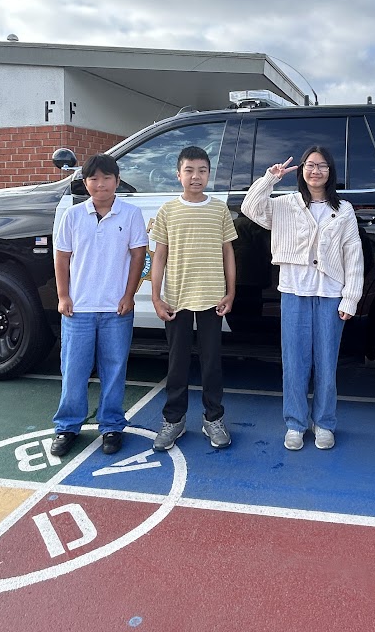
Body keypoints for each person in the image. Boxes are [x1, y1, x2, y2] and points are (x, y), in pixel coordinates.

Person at [241, 146, 364, 451]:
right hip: (294, 292)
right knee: (294, 362)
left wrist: (350, 298)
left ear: (330, 172)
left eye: (322, 166)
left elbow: (354, 255)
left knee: (326, 363)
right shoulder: (286, 204)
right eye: (310, 165)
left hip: (330, 295)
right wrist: (270, 178)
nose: (315, 171)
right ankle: (295, 423)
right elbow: (250, 208)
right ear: (302, 170)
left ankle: (324, 422)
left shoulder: (344, 209)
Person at [50, 153, 148, 458]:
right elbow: (62, 257)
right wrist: (63, 296)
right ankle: (67, 426)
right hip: (78, 308)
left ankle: (112, 425)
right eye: (94, 178)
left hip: (116, 309)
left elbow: (139, 256)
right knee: (73, 370)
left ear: (117, 181)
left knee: (114, 369)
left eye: (107, 178)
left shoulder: (131, 214)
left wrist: (129, 296)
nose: (100, 184)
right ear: (85, 182)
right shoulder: (73, 215)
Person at [150, 146, 237, 450]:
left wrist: (230, 292)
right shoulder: (168, 210)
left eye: (202, 170)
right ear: (178, 174)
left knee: (212, 363)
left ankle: (214, 418)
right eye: (189, 170)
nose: (195, 176)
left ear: (209, 174)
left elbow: (228, 253)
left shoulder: (219, 209)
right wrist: (156, 297)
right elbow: (159, 256)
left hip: (213, 298)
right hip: (177, 299)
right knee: (177, 364)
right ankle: (174, 420)